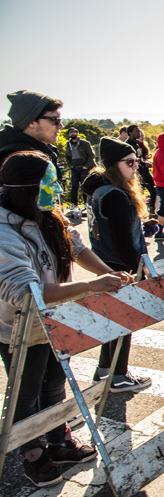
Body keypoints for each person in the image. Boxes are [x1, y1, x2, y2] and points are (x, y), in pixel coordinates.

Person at [0, 151, 133, 488]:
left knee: (55, 381)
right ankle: (32, 452)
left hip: (56, 319)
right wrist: (91, 286)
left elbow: (75, 246)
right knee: (26, 391)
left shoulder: (49, 213)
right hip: (18, 327)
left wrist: (108, 273)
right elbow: (24, 292)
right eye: (50, 184)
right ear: (28, 188)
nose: (57, 190)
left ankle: (58, 440)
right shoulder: (3, 230)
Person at [82, 137, 156, 393]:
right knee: (125, 321)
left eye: (137, 161)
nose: (136, 166)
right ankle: (119, 375)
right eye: (129, 162)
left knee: (112, 320)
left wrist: (141, 226)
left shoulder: (99, 190)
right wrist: (141, 269)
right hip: (121, 265)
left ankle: (105, 370)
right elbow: (124, 241)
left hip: (104, 261)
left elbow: (111, 228)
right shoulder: (116, 195)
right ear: (115, 165)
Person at [0, 91, 63, 181]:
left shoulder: (42, 150)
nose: (61, 126)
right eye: (54, 120)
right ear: (31, 122)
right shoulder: (21, 161)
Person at [125, 124, 157, 215]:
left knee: (154, 191)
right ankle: (138, 213)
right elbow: (131, 160)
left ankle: (151, 211)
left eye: (139, 131)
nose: (139, 133)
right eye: (136, 131)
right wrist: (143, 164)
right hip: (137, 173)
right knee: (139, 193)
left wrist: (146, 160)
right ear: (130, 133)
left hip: (146, 173)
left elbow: (140, 157)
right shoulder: (128, 145)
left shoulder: (137, 144)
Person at [64, 127, 95, 218]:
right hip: (74, 167)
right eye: (70, 132)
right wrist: (70, 165)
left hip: (84, 166)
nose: (72, 133)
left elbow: (91, 155)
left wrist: (87, 165)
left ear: (77, 133)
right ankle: (74, 204)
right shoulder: (68, 144)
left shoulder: (85, 143)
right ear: (69, 134)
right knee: (74, 186)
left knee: (84, 185)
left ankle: (86, 203)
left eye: (74, 132)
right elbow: (66, 156)